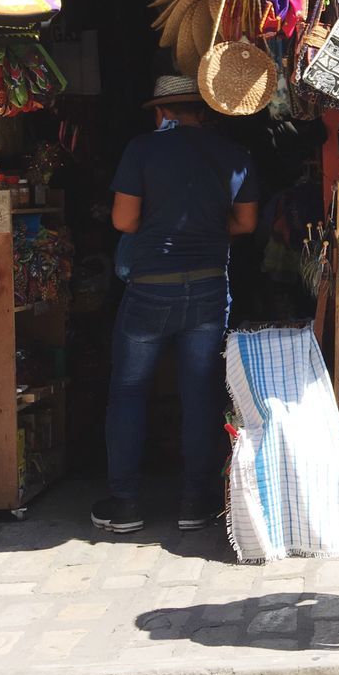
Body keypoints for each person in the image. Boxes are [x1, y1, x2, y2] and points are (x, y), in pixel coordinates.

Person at [91, 75, 259, 535]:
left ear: (163, 112)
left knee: (128, 391)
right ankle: (195, 503)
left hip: (150, 286)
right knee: (200, 393)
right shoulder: (232, 154)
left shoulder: (142, 150)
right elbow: (246, 222)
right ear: (201, 111)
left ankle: (124, 503)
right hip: (206, 287)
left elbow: (124, 220)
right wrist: (203, 227)